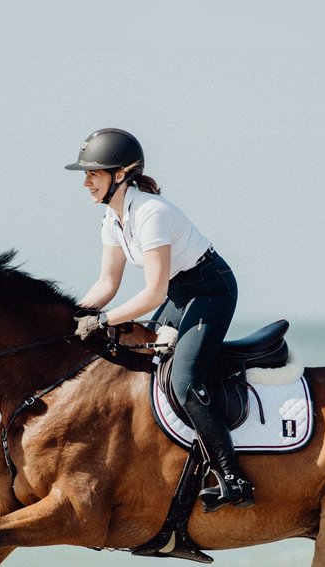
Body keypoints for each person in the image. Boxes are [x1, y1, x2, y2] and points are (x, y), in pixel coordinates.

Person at [67, 128, 254, 512]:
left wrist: (102, 321)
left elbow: (152, 293)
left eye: (94, 173)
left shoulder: (150, 213)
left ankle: (232, 476)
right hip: (180, 293)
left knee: (184, 380)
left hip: (210, 291)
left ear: (120, 175)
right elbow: (107, 283)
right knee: (141, 358)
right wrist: (72, 317)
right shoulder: (113, 218)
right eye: (85, 174)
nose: (86, 181)